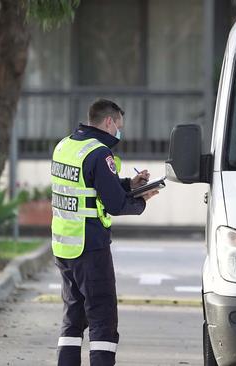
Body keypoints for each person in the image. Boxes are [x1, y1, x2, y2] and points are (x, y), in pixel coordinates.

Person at [51, 99, 159, 366]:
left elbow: (88, 187)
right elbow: (114, 204)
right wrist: (142, 199)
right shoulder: (100, 153)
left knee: (73, 320)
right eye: (119, 127)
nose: (119, 133)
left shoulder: (65, 145)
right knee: (102, 319)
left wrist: (127, 183)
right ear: (109, 122)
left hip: (64, 246)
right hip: (91, 248)